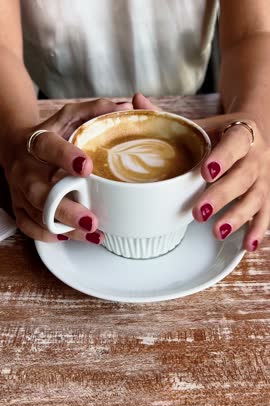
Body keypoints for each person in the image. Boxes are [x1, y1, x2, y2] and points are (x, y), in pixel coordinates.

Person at [0, 0, 269, 251]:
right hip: (56, 126)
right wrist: (15, 135)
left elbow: (252, 33)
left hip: (198, 111)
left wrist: (253, 124)